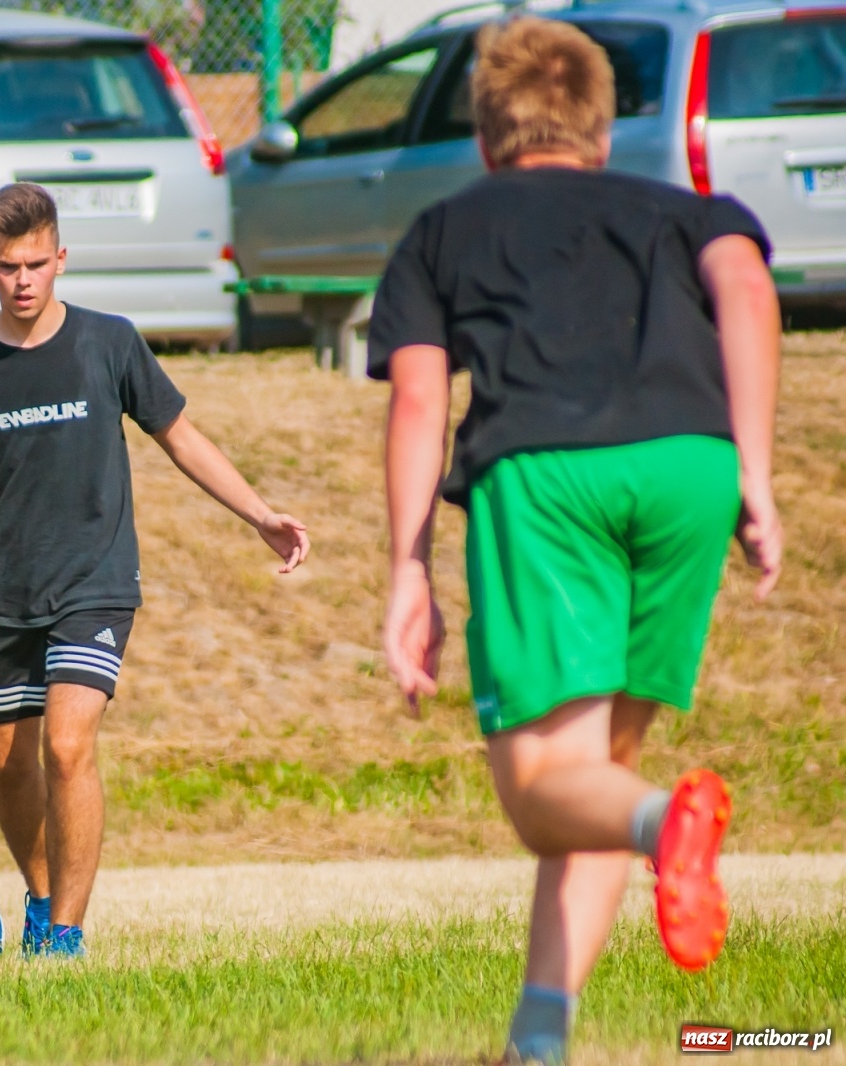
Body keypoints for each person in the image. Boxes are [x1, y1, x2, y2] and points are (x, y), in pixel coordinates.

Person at [368, 17, 782, 1065]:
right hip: (691, 466)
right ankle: (539, 1040)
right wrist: (755, 472)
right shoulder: (686, 209)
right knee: (601, 772)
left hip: (547, 472)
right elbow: (746, 287)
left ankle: (667, 826)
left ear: (484, 136)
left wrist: (408, 567)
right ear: (603, 131)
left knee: (542, 792)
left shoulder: (441, 231)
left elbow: (419, 399)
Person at [0, 182, 309, 958]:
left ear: (61, 258)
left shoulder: (110, 343)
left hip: (95, 582)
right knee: (10, 766)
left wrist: (261, 515)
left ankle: (64, 937)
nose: (23, 280)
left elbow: (181, 437)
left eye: (36, 264)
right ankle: (41, 900)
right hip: (6, 588)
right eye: (8, 267)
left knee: (67, 748)